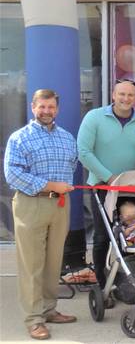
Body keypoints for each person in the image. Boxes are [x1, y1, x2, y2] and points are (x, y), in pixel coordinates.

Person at [4, 89, 78, 340]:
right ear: (32, 107)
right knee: (31, 264)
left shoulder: (67, 137)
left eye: (51, 107)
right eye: (42, 107)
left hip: (60, 205)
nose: (47, 111)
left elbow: (72, 165)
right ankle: (34, 319)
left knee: (53, 261)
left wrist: (61, 189)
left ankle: (49, 309)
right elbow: (13, 174)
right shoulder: (19, 138)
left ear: (57, 109)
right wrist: (50, 186)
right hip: (30, 204)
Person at [78, 78, 135, 302]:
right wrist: (110, 177)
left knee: (127, 237)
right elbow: (83, 151)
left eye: (130, 95)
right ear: (113, 95)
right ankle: (103, 287)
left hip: (130, 189)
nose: (125, 99)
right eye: (121, 94)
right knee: (103, 237)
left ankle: (124, 282)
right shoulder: (94, 117)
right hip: (103, 186)